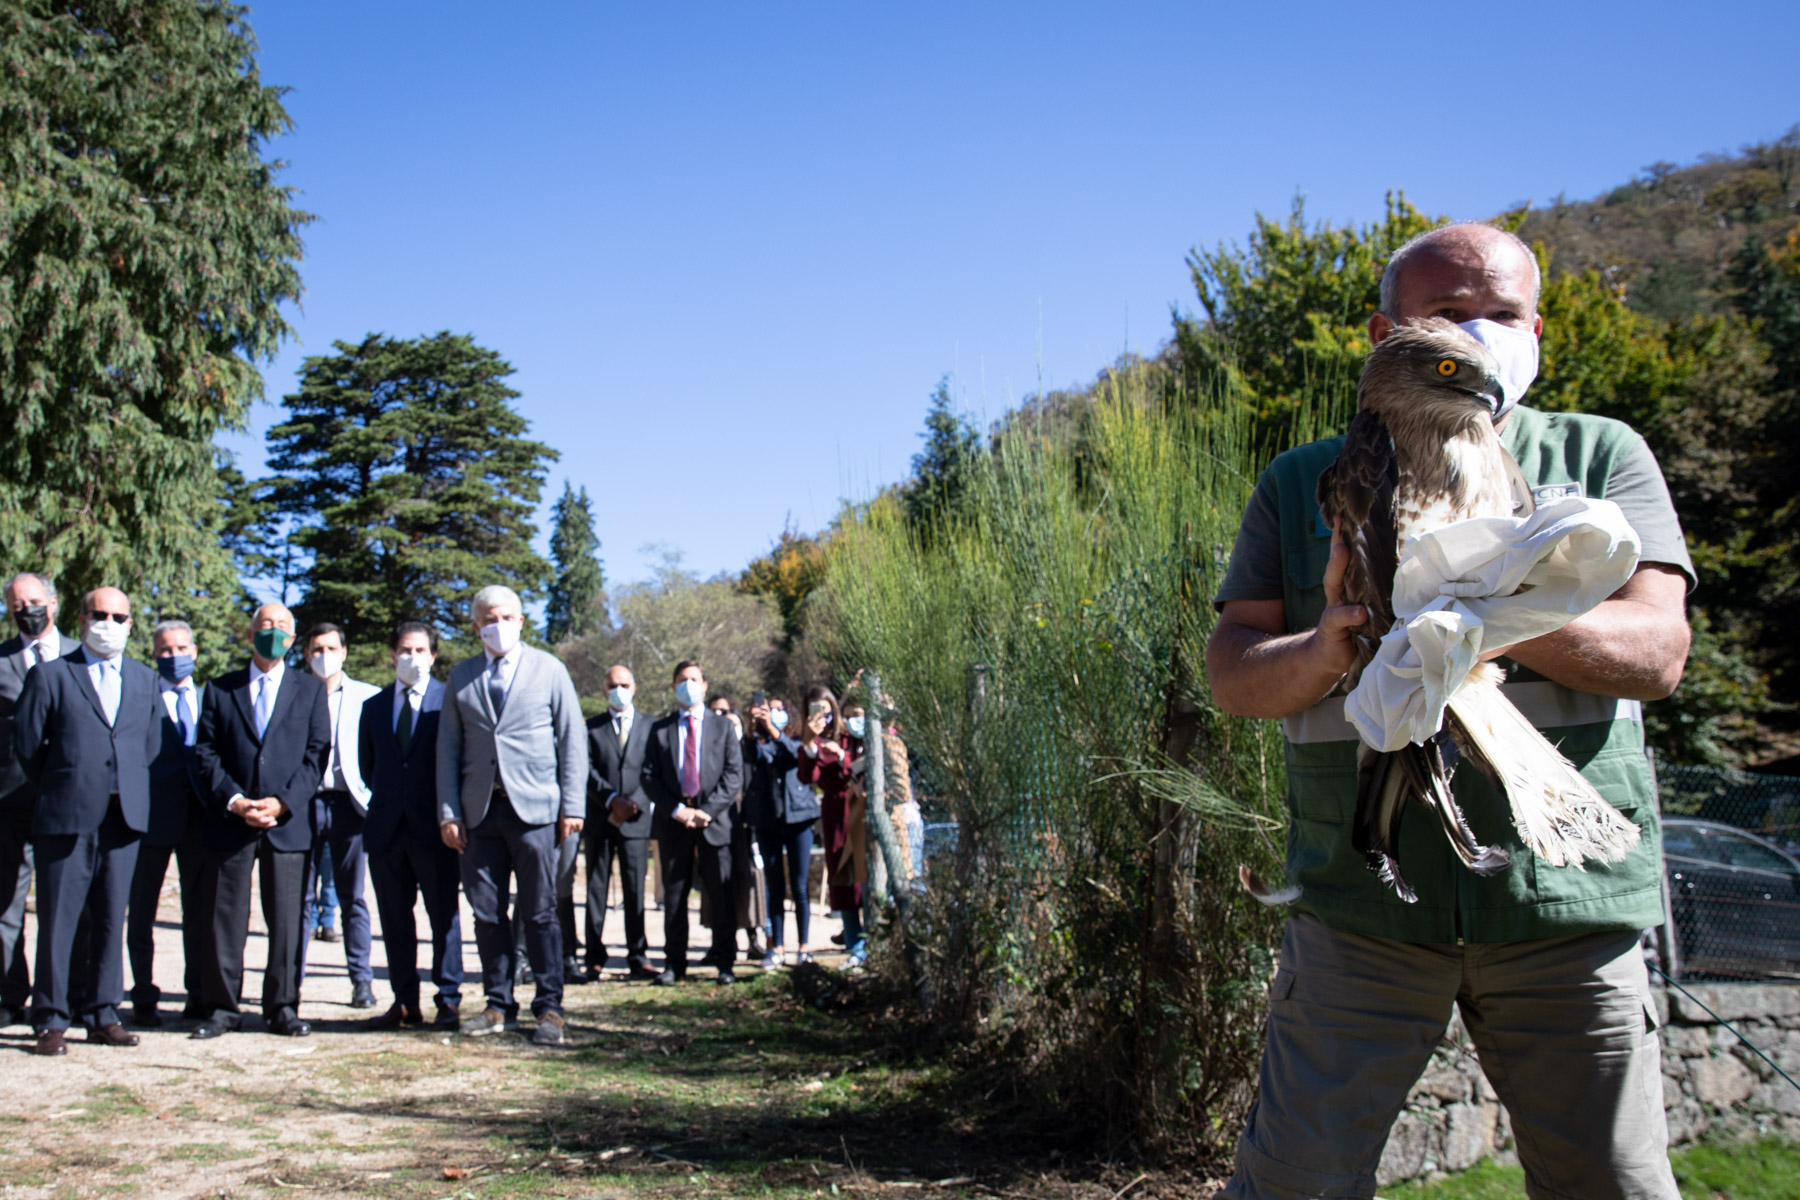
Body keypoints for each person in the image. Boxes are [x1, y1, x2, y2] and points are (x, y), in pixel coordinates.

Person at [1206, 222, 1692, 1200]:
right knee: (1292, 1184)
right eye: (1447, 315)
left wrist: (1482, 612)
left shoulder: (1602, 458)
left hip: (1568, 907)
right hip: (1359, 907)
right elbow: (1232, 674)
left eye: (1502, 314)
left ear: (1537, 330)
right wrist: (1343, 633)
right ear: (1387, 331)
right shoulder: (1305, 481)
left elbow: (1658, 653)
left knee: (1614, 1185)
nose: (1479, 334)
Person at [13, 587, 161, 1055]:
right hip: (67, 817)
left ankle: (102, 1013)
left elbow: (149, 746)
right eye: (100, 614)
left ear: (131, 625)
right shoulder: (52, 675)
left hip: (124, 817)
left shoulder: (145, 679)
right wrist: (63, 785)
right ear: (81, 618)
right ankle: (51, 1018)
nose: (109, 623)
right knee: (59, 920)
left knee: (110, 919)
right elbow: (27, 746)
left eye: (120, 616)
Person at [437, 585, 587, 1046]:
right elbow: (447, 750)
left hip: (537, 811)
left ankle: (550, 1007)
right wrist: (448, 811)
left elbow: (571, 739)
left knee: (541, 912)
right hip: (479, 813)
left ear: (520, 621)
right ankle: (498, 1003)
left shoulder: (549, 669)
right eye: (488, 618)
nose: (496, 625)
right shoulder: (461, 677)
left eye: (505, 617)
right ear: (476, 625)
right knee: (487, 914)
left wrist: (573, 806)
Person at [189, 602, 331, 1039]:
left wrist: (282, 803)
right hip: (232, 820)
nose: (273, 631)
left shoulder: (309, 690)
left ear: (293, 640)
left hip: (287, 823)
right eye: (265, 624)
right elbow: (205, 752)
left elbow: (316, 755)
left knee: (288, 920)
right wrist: (235, 801)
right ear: (250, 634)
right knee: (224, 918)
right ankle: (221, 1008)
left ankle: (283, 1007)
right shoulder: (220, 689)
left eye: (282, 626)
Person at [359, 621, 462, 1030]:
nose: (411, 658)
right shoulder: (374, 707)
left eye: (420, 651)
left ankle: (449, 999)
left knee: (444, 918)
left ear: (433, 657)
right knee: (396, 921)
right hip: (387, 830)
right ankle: (405, 1000)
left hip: (434, 830)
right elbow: (369, 767)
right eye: (404, 650)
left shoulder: (447, 702)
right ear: (392, 655)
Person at [0, 572, 78, 1028]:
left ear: (53, 602)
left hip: (66, 799)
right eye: (16, 603)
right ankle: (10, 993)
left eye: (33, 600)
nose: (26, 609)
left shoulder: (80, 656)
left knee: (67, 905)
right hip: (9, 798)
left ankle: (66, 995)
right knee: (7, 904)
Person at [126, 619, 208, 1027]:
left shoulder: (211, 699)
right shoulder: (141, 699)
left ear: (194, 652)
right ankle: (143, 995)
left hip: (199, 823)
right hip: (149, 823)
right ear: (154, 653)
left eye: (180, 649)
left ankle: (197, 994)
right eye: (164, 650)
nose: (173, 657)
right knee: (140, 915)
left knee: (197, 914)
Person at [642, 660, 742, 985]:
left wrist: (707, 811)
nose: (688, 684)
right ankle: (674, 964)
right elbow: (648, 777)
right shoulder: (660, 730)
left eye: (694, 679)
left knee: (721, 895)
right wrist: (676, 810)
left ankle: (725, 962)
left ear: (705, 684)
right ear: (673, 687)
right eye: (682, 680)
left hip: (713, 822)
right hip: (674, 823)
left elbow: (733, 775)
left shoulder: (723, 727)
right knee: (674, 897)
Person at [296, 623, 381, 1008]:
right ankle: (288, 983)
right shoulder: (293, 694)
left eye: (330, 648)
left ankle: (361, 980)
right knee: (298, 899)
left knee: (353, 899)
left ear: (344, 652)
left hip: (351, 805)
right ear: (305, 654)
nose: (323, 655)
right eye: (316, 649)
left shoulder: (367, 696)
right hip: (302, 805)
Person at [582, 664, 657, 981]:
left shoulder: (652, 726)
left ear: (635, 687)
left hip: (637, 821)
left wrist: (635, 802)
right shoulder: (591, 727)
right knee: (596, 888)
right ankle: (594, 956)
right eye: (613, 685)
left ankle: (638, 955)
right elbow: (585, 769)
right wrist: (612, 799)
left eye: (625, 684)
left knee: (635, 889)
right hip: (601, 817)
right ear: (604, 689)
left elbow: (654, 768)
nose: (619, 690)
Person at [794, 686, 866, 965]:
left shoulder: (850, 734)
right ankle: (855, 946)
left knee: (867, 878)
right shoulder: (812, 741)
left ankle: (876, 941)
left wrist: (841, 756)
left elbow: (861, 766)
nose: (820, 714)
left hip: (859, 808)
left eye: (824, 708)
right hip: (834, 814)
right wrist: (810, 743)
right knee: (843, 880)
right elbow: (807, 776)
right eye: (813, 708)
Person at [745, 695, 820, 968]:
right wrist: (750, 725)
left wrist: (775, 730)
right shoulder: (760, 742)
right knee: (774, 886)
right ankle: (776, 946)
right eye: (768, 710)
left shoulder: (799, 739)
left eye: (779, 710)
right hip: (768, 820)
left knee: (800, 886)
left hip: (799, 818)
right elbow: (750, 757)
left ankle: (804, 947)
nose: (773, 713)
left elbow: (794, 755)